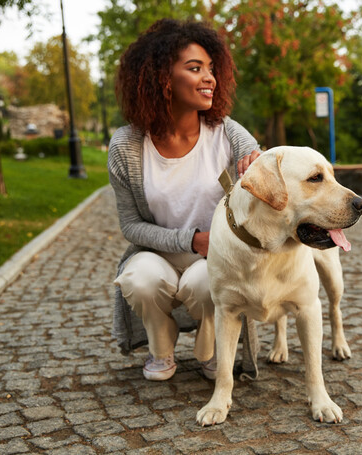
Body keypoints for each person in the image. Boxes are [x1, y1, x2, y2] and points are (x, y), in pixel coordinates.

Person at [108, 19, 261, 381]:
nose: (209, 78)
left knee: (207, 283)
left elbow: (258, 160)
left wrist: (255, 163)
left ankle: (211, 352)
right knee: (139, 279)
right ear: (161, 78)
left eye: (211, 69)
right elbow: (130, 225)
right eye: (195, 69)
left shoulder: (226, 132)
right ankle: (161, 352)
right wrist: (190, 240)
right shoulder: (127, 146)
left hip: (216, 256)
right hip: (157, 255)